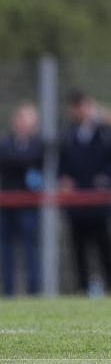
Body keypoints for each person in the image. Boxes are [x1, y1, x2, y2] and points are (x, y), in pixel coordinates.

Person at [59, 89, 111, 294]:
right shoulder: (68, 133)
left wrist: (106, 178)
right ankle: (81, 287)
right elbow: (62, 161)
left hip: (100, 201)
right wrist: (64, 179)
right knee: (78, 249)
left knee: (105, 246)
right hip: (77, 202)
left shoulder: (106, 131)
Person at [0, 102, 44, 295]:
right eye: (20, 117)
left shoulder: (39, 144)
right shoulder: (5, 142)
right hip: (6, 202)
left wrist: (16, 159)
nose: (23, 122)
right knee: (6, 249)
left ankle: (34, 290)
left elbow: (31, 159)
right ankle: (8, 290)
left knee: (31, 248)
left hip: (28, 204)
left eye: (27, 118)